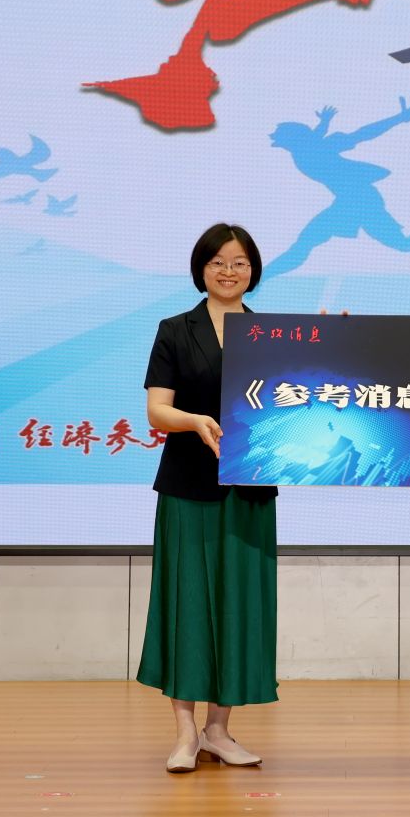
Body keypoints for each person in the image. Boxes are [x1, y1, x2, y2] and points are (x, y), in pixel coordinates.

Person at [138, 222, 278, 773]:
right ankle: (185, 734)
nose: (229, 271)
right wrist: (195, 421)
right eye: (218, 261)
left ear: (253, 271)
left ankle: (219, 730)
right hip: (188, 485)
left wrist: (334, 341)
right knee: (188, 603)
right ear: (201, 268)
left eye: (240, 262)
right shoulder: (176, 329)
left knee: (239, 603)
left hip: (250, 485)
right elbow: (157, 411)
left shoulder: (273, 334)